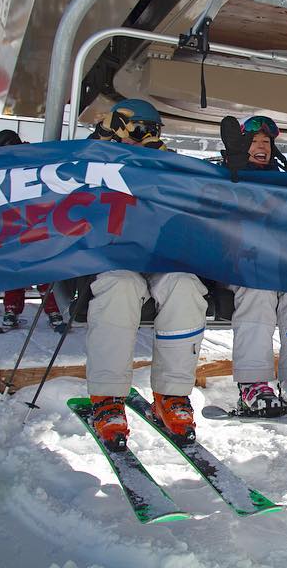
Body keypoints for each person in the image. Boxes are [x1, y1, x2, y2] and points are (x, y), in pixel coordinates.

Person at [85, 99, 209, 450]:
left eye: (151, 131)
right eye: (137, 129)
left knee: (185, 287)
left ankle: (171, 395)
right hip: (114, 255)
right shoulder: (95, 162)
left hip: (160, 256)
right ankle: (107, 398)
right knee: (119, 288)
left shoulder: (168, 165)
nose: (144, 138)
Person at [225, 115, 287, 416]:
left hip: (280, 263)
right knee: (259, 293)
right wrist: (235, 163)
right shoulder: (226, 174)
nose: (261, 147)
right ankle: (253, 383)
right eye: (254, 141)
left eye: (266, 142)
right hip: (237, 262)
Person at [0, 129, 67, 332]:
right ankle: (13, 312)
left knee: (37, 268)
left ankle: (53, 312)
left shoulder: (32, 160)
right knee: (15, 267)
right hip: (14, 222)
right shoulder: (7, 164)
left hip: (34, 222)